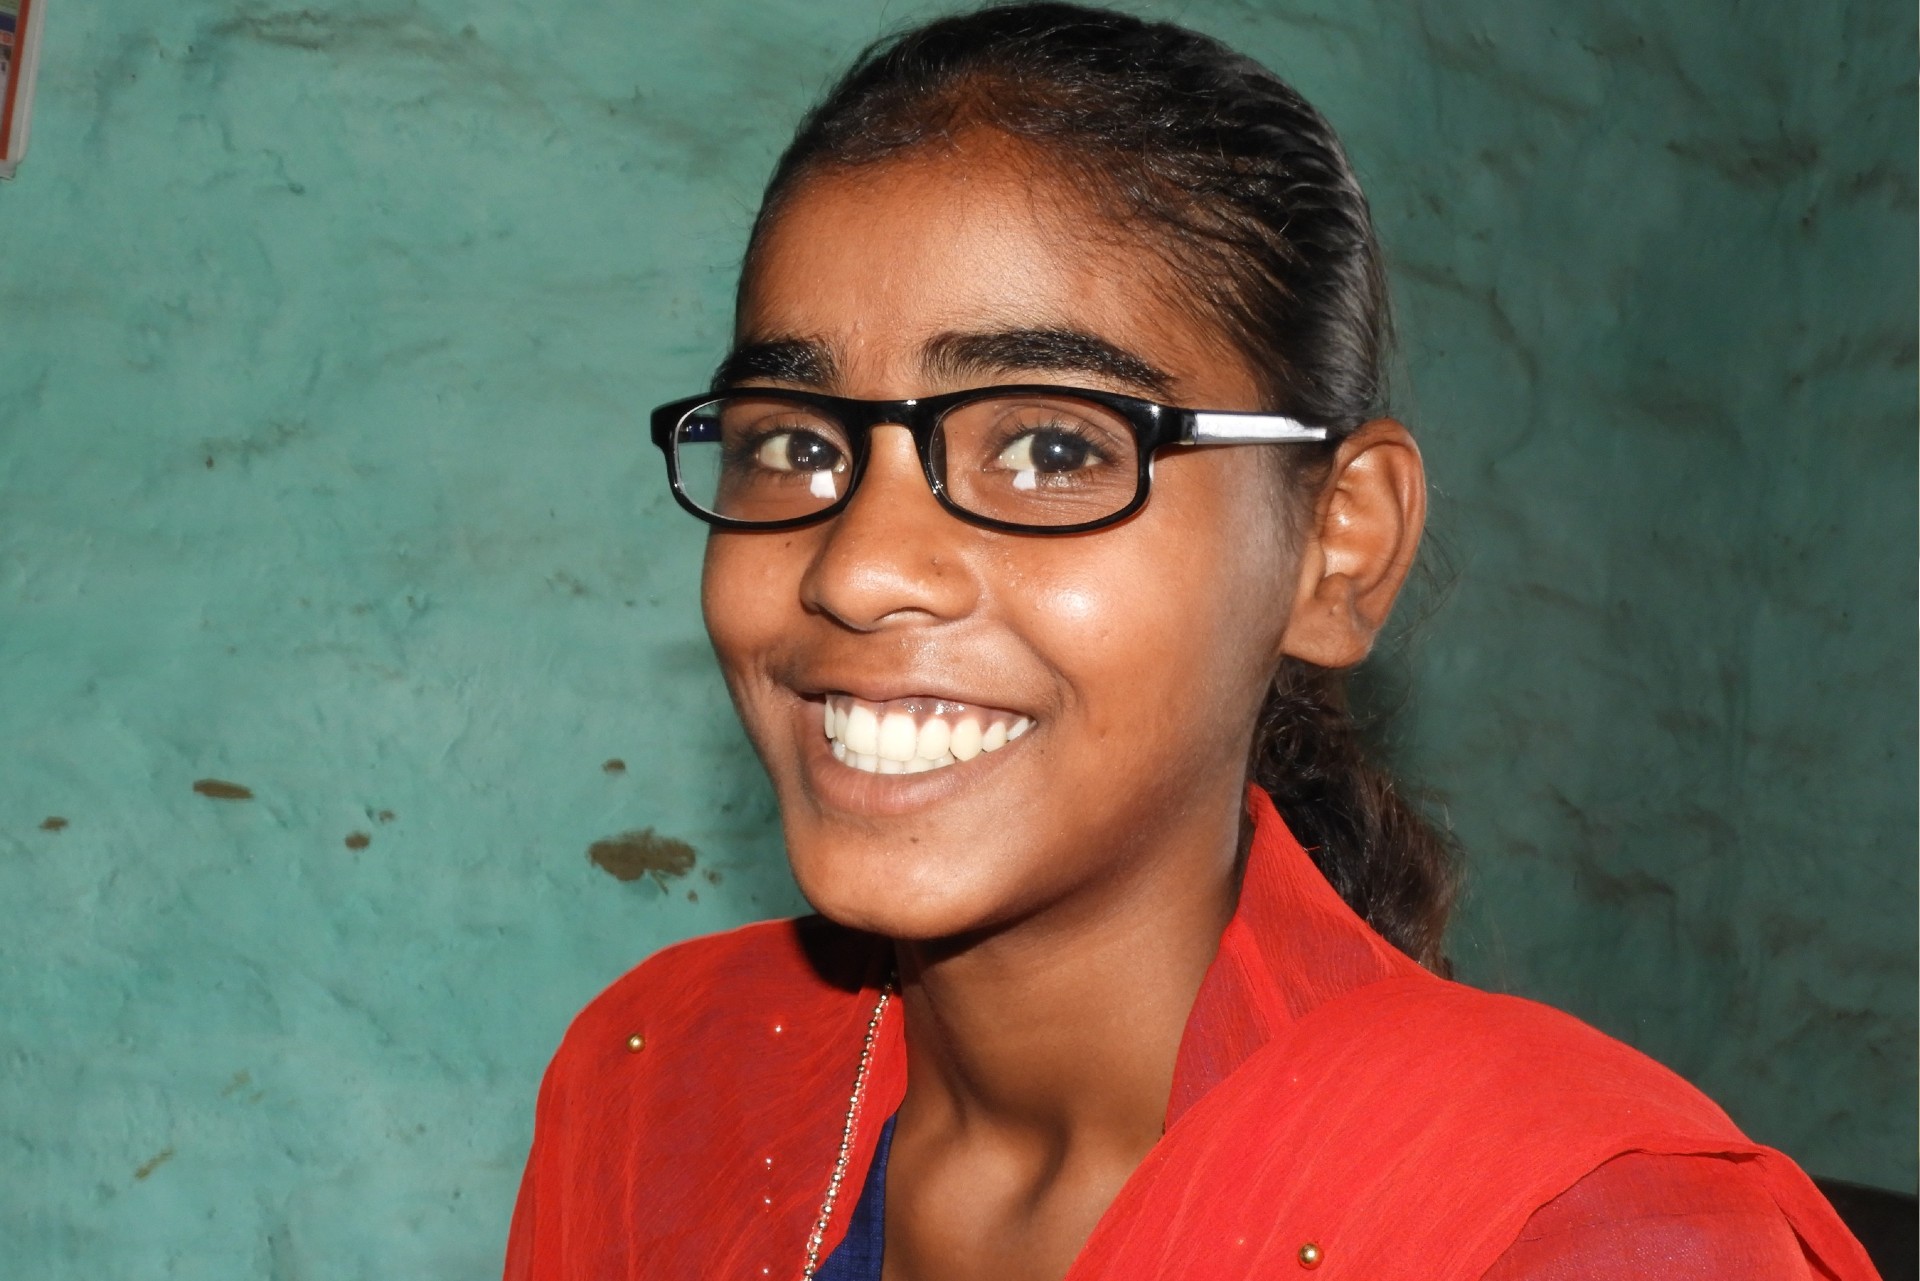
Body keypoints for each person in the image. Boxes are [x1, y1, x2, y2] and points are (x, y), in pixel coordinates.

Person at [503, 5, 1877, 1278]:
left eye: (1050, 444)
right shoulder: (658, 1090)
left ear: (1338, 546)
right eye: (797, 444)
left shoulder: (1584, 1233)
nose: (860, 568)